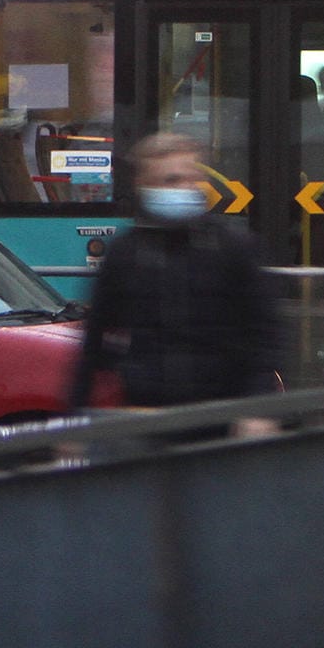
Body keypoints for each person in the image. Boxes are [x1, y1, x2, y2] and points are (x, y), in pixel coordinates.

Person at [67, 131, 286, 435]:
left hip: (223, 417)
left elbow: (266, 333)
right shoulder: (125, 254)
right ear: (143, 185)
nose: (184, 188)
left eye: (190, 178)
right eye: (170, 180)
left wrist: (258, 409)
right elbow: (93, 343)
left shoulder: (234, 247)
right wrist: (74, 419)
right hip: (148, 418)